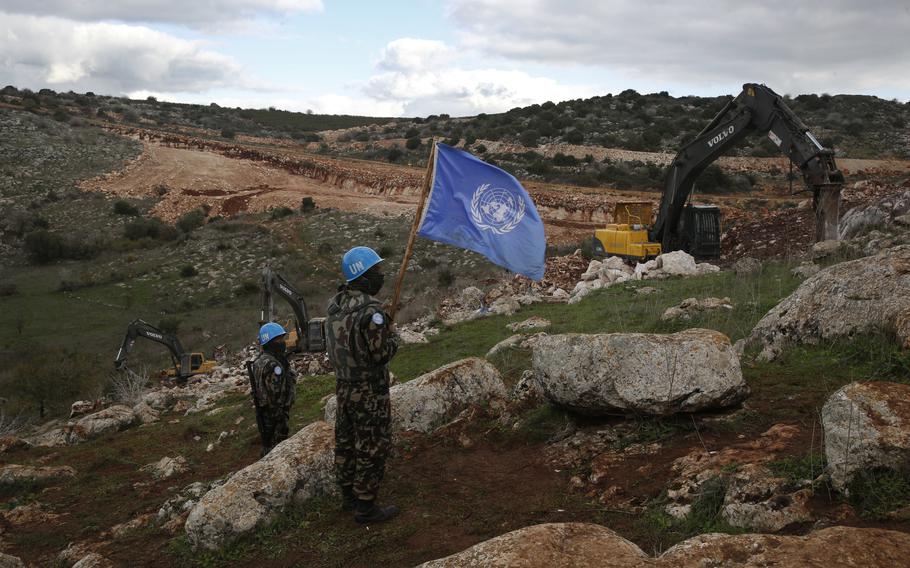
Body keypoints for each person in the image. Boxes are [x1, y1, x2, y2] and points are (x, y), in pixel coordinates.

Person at [325, 246, 400, 523]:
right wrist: (392, 336)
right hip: (369, 391)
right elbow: (381, 354)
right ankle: (366, 507)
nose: (380, 276)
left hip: (343, 387)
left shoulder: (334, 305)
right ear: (364, 275)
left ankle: (348, 496)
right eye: (376, 271)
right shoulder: (372, 311)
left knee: (345, 443)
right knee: (372, 445)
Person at [248, 322, 297, 456]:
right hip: (275, 415)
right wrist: (280, 416)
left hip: (265, 413)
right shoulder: (273, 365)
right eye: (278, 339)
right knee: (277, 450)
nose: (282, 342)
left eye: (282, 338)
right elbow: (275, 395)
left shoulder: (260, 361)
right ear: (270, 342)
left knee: (269, 445)